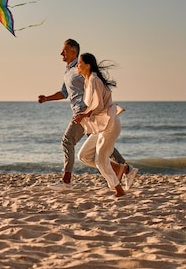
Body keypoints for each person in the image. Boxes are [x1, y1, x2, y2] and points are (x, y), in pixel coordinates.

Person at [38, 39, 137, 191]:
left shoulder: (80, 68)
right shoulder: (69, 71)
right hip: (83, 113)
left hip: (84, 112)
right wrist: (47, 98)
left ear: (74, 52)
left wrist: (87, 112)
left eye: (64, 50)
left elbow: (94, 83)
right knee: (101, 144)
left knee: (67, 141)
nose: (61, 53)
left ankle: (66, 180)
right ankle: (126, 169)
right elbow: (64, 93)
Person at [73, 53, 126, 197]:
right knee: (83, 155)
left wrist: (83, 115)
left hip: (109, 125)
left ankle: (119, 191)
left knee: (100, 161)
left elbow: (98, 104)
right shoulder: (88, 80)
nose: (77, 65)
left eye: (79, 63)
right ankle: (122, 169)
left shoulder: (95, 80)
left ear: (88, 65)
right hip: (102, 126)